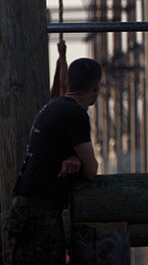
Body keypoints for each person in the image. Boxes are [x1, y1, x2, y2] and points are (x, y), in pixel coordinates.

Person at [5, 58, 102, 264]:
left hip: (24, 211)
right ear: (96, 86)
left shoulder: (54, 106)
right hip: (40, 217)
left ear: (68, 82)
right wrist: (80, 159)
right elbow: (91, 170)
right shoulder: (76, 114)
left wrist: (74, 156)